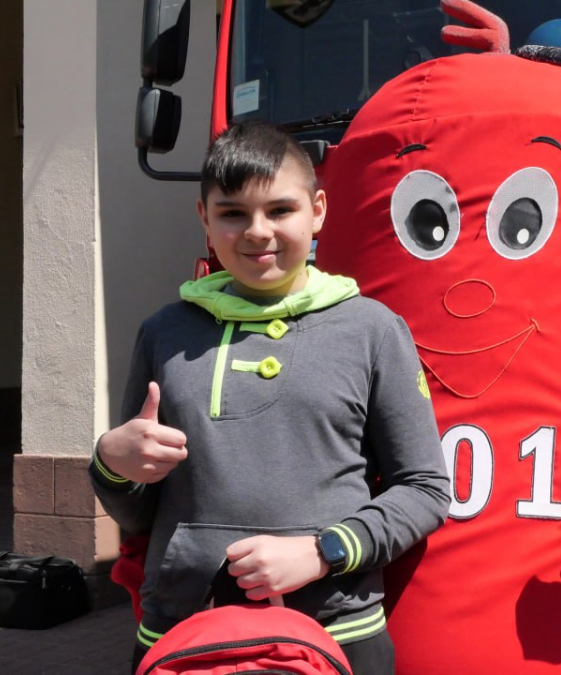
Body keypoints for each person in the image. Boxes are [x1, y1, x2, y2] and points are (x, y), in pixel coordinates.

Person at [89, 121, 450, 674]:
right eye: (233, 212)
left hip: (336, 628)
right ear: (204, 218)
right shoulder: (164, 331)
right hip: (184, 628)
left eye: (280, 210)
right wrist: (111, 465)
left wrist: (322, 552)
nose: (257, 231)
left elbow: (425, 489)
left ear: (318, 211)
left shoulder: (373, 330)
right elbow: (136, 514)